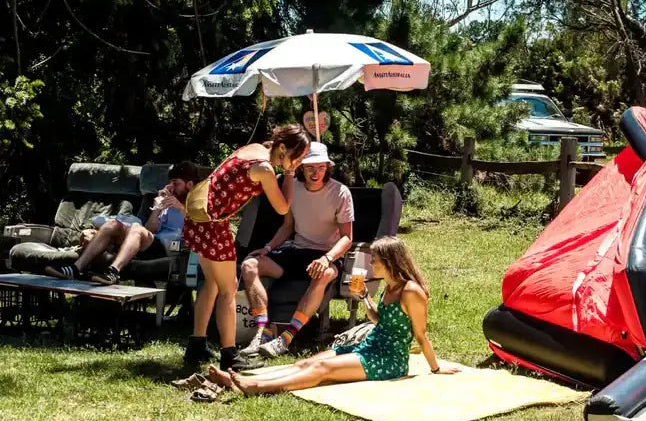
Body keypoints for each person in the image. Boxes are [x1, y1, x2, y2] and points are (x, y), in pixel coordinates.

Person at [206, 236, 459, 395]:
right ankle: (240, 379)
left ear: (390, 262)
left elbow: (421, 335)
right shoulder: (389, 287)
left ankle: (255, 387)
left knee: (323, 368)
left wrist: (436, 369)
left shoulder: (411, 292)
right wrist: (364, 297)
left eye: (375, 260)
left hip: (388, 360)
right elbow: (378, 322)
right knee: (306, 363)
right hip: (369, 346)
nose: (371, 265)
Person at [182, 125, 310, 371]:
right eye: (298, 157)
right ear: (283, 148)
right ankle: (229, 355)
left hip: (200, 219)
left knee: (210, 283)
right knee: (228, 291)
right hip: (214, 225)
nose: (299, 162)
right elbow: (283, 208)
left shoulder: (256, 149)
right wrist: (291, 175)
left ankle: (196, 346)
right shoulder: (264, 169)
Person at [238, 141, 354, 359]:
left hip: (325, 255)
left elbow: (347, 237)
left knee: (325, 274)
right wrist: (268, 248)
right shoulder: (294, 189)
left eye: (321, 167)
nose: (315, 172)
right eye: (310, 167)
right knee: (250, 264)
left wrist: (327, 258)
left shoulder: (340, 192)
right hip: (296, 251)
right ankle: (261, 332)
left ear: (328, 167)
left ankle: (286, 337)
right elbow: (288, 227)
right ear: (301, 167)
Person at [44, 161, 201, 285]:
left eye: (176, 183)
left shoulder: (200, 202)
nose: (172, 187)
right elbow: (150, 230)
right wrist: (158, 208)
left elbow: (202, 225)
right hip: (155, 243)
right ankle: (75, 268)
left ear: (189, 184)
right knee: (113, 224)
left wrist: (180, 207)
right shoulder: (168, 202)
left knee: (136, 228)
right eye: (171, 183)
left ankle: (113, 271)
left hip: (175, 248)